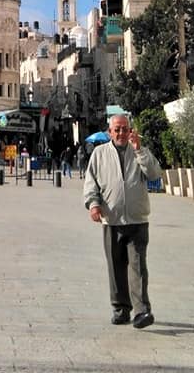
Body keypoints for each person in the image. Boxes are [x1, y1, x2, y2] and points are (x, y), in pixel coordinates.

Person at [83, 114, 162, 330]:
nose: (121, 133)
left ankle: (142, 311)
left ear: (131, 131)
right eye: (117, 129)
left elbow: (155, 174)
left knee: (137, 266)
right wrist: (93, 204)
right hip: (112, 220)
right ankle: (121, 309)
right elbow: (91, 184)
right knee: (116, 266)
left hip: (137, 220)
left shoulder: (139, 152)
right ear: (110, 132)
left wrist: (140, 151)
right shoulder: (99, 154)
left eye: (124, 129)